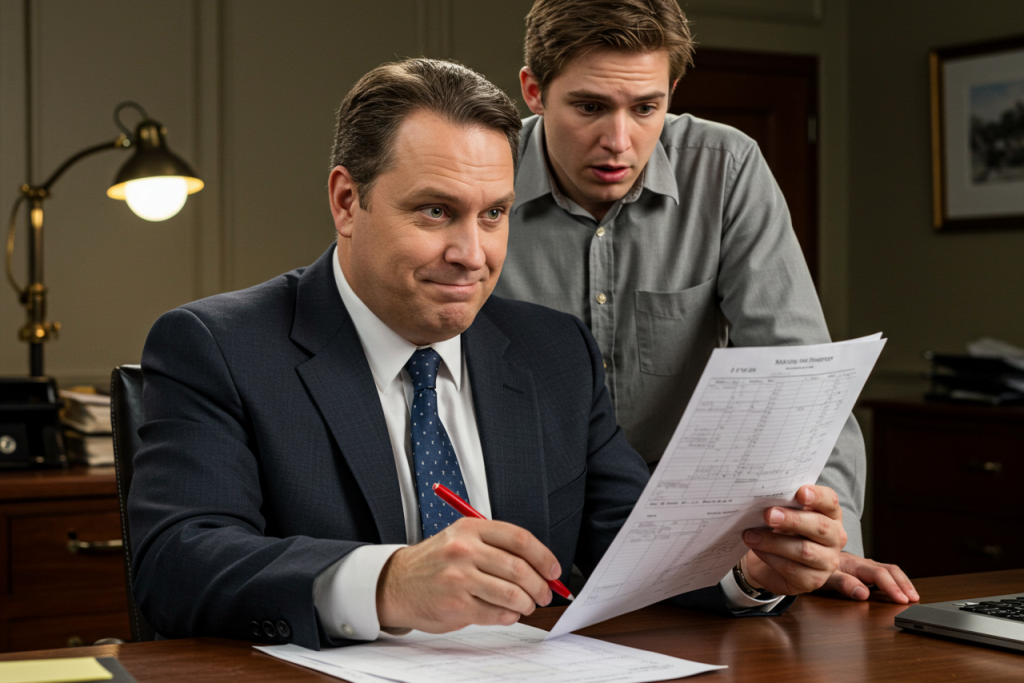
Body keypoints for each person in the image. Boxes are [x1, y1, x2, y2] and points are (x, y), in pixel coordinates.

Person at [128, 58, 848, 651]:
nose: (472, 254)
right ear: (347, 201)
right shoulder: (218, 346)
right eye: (436, 211)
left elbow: (638, 548)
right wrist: (389, 582)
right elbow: (175, 563)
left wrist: (750, 571)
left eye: (494, 213)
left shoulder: (554, 350)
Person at [493, 0, 918, 604]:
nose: (618, 141)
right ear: (533, 91)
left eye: (645, 108)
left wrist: (824, 547)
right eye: (589, 107)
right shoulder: (483, 177)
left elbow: (803, 385)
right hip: (520, 531)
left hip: (695, 546)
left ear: (672, 90)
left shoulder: (727, 169)